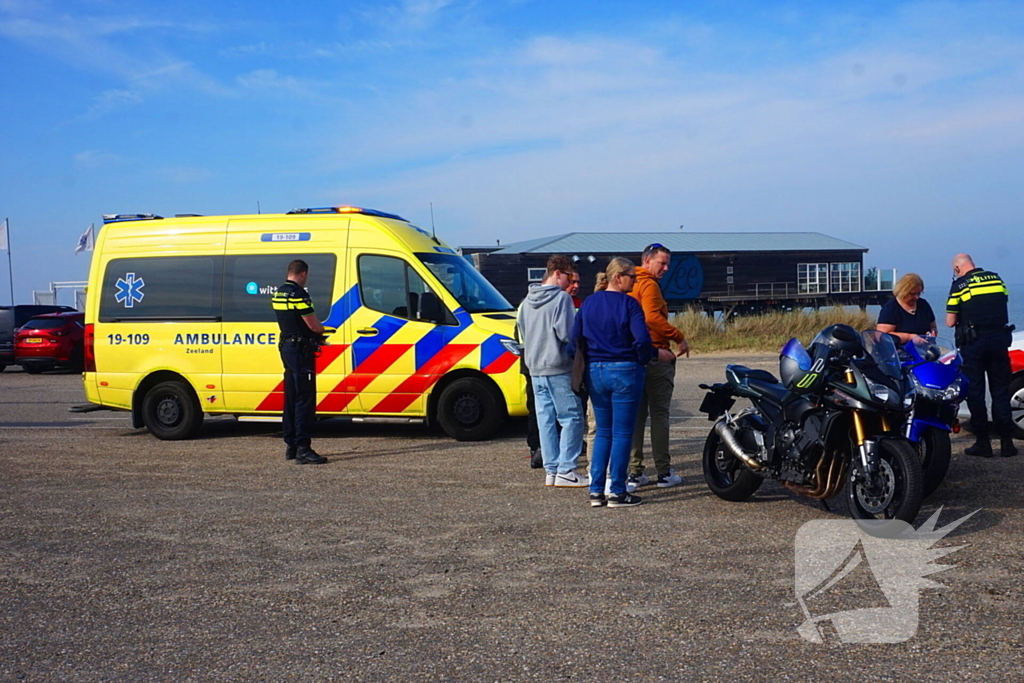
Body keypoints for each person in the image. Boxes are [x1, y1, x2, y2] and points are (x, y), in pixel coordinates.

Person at [570, 258, 671, 507]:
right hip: (625, 368)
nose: (635, 281)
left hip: (595, 369)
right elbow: (642, 341)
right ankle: (617, 490)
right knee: (623, 432)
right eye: (631, 277)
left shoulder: (589, 303)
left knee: (603, 431)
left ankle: (596, 491)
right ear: (618, 278)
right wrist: (645, 358)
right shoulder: (630, 304)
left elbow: (574, 341)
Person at [516, 255, 587, 487]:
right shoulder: (562, 299)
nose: (570, 282)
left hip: (535, 367)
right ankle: (566, 469)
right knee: (572, 417)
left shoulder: (527, 300)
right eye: (568, 276)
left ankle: (552, 469)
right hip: (557, 366)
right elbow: (566, 334)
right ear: (557, 273)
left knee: (545, 419)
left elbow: (523, 332)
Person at [628, 243, 689, 492]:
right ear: (647, 260)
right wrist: (678, 336)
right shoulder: (649, 284)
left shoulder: (629, 283)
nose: (665, 268)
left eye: (667, 264)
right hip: (656, 355)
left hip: (635, 356)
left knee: (637, 416)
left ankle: (634, 471)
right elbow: (652, 317)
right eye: (661, 263)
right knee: (660, 415)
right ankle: (663, 471)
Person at [946, 253, 1017, 458]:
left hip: (974, 343)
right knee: (1000, 391)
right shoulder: (996, 279)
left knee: (976, 392)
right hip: (999, 340)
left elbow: (950, 321)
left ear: (958, 268)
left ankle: (983, 443)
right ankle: (1007, 442)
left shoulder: (960, 285)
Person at [272, 259, 328, 465]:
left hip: (286, 347)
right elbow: (313, 325)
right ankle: (304, 447)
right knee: (304, 398)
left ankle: (291, 445)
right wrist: (322, 332)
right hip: (300, 351)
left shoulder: (278, 293)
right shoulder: (299, 295)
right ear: (303, 274)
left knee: (291, 397)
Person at [876, 273, 938, 344]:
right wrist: (909, 337)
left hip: (923, 349)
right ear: (903, 291)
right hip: (898, 351)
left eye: (919, 293)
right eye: (912, 294)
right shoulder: (891, 308)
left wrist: (932, 334)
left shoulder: (923, 305)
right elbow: (882, 335)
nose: (917, 297)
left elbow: (933, 327)